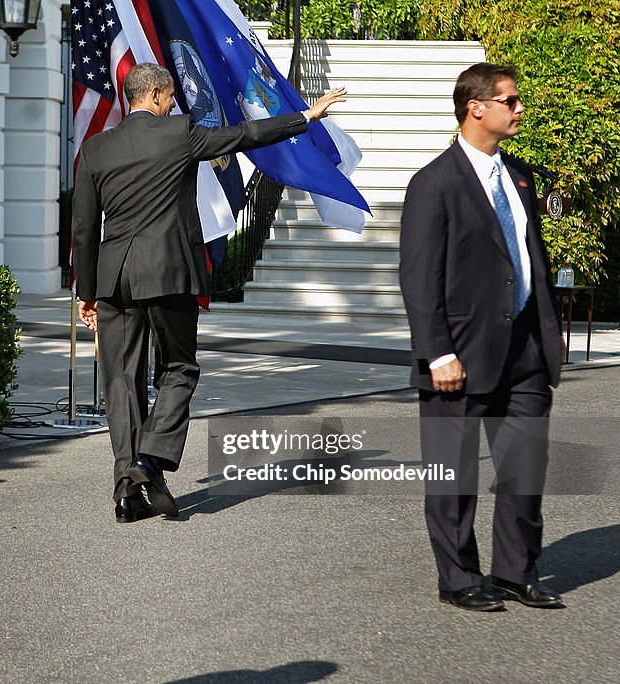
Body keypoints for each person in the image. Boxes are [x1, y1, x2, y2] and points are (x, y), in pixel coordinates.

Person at [71, 63, 346, 523]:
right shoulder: (179, 133)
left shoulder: (96, 148)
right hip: (168, 272)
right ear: (156, 95)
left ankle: (126, 494)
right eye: (170, 96)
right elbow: (242, 136)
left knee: (122, 383)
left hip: (114, 278)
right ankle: (150, 460)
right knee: (179, 367)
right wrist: (305, 117)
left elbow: (83, 226)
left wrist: (87, 289)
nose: (173, 103)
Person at [399, 62, 564, 612]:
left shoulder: (519, 177)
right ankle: (459, 577)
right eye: (511, 101)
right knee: (454, 475)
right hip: (459, 355)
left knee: (525, 469)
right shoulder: (434, 183)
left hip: (526, 351)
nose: (519, 109)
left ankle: (517, 572)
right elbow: (420, 278)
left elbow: (527, 259)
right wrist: (437, 352)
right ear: (477, 107)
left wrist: (547, 336)